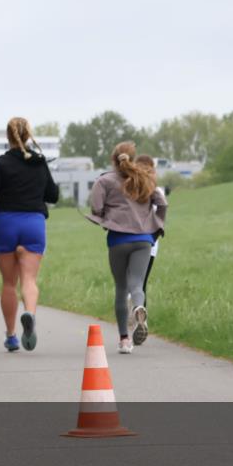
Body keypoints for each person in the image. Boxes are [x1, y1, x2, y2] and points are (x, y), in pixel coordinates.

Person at [0, 117, 58, 352]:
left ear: (8, 137)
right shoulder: (40, 161)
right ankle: (30, 314)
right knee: (30, 280)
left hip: (6, 223)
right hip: (33, 223)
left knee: (9, 284)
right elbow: (53, 195)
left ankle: (12, 335)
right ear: (28, 135)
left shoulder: (0, 163)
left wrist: (0, 195)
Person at [84, 142, 167, 354]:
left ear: (114, 159)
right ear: (133, 157)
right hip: (143, 239)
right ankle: (139, 308)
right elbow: (162, 203)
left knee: (121, 288)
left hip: (118, 239)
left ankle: (124, 340)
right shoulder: (145, 179)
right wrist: (157, 226)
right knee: (137, 284)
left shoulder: (104, 181)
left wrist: (104, 217)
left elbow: (96, 207)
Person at [135, 155, 168, 308]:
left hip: (131, 241)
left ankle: (133, 305)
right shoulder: (158, 191)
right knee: (142, 283)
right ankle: (141, 320)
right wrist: (153, 238)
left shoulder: (132, 189)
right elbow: (160, 216)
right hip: (151, 244)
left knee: (133, 282)